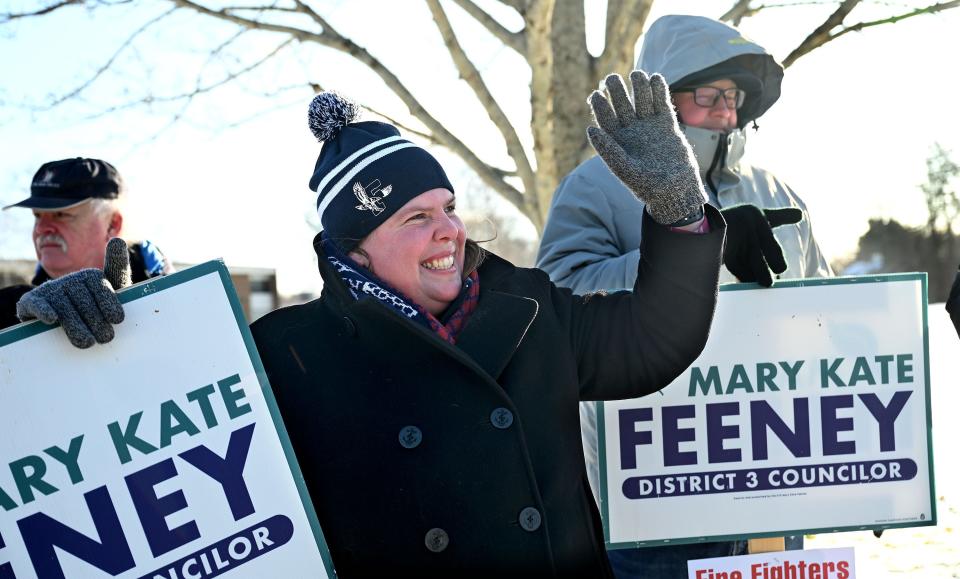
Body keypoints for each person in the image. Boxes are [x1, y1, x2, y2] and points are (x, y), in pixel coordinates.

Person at [16, 74, 724, 578]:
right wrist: (71, 335)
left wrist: (679, 212)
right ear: (355, 248)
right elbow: (150, 442)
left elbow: (652, 342)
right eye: (417, 217)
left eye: (447, 206)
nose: (450, 230)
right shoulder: (287, 353)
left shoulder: (529, 307)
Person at [536, 14, 832, 578]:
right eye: (709, 93)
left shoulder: (778, 191)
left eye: (735, 97)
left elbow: (830, 307)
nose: (726, 110)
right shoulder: (597, 186)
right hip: (655, 490)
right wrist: (702, 249)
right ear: (664, 97)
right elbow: (560, 301)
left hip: (777, 483)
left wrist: (874, 471)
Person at [0, 157, 172, 334]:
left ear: (112, 224)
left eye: (61, 215)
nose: (42, 229)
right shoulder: (13, 306)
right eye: (37, 216)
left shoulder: (178, 297)